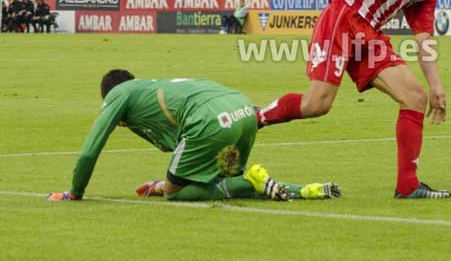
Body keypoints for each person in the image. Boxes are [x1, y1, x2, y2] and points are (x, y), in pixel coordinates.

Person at [256, 0, 451, 199]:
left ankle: (408, 186)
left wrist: (436, 86)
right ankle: (255, 117)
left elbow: (424, 41)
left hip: (370, 35)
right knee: (316, 104)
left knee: (416, 97)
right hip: (343, 16)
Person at [47, 71, 341, 202]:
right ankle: (306, 190)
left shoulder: (119, 93)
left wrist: (75, 192)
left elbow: (89, 151)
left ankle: (252, 178)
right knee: (224, 183)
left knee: (176, 195)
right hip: (241, 111)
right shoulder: (153, 87)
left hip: (209, 123)